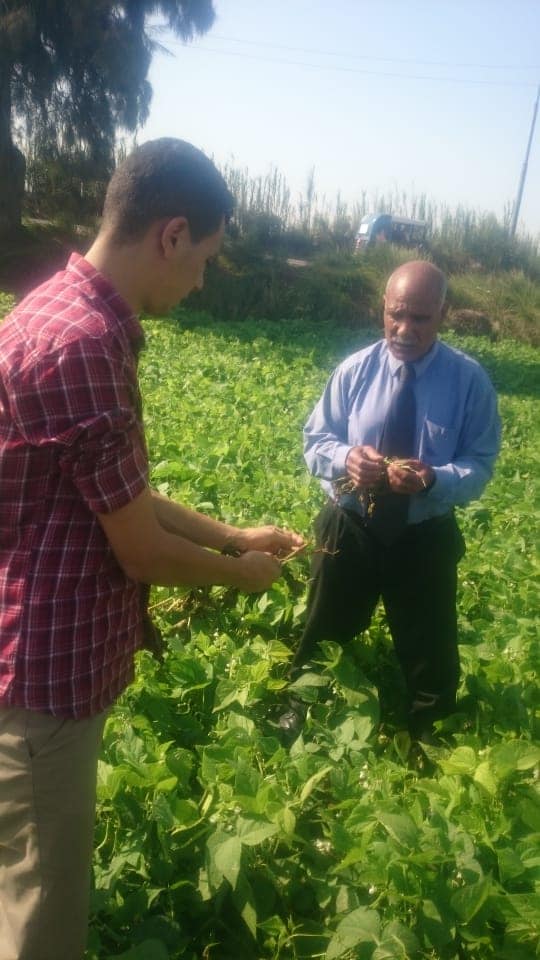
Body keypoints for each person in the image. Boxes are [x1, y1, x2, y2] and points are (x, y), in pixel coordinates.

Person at [0, 138, 303, 960]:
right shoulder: (87, 343)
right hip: (42, 683)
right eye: (204, 257)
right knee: (42, 916)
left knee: (21, 881)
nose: (202, 281)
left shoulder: (58, 309)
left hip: (33, 670)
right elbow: (140, 551)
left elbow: (120, 497)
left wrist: (233, 535)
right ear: (171, 235)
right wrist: (242, 576)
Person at [282, 260, 500, 741]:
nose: (404, 330)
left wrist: (434, 479)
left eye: (420, 318)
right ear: (383, 307)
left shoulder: (469, 382)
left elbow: (480, 464)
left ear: (443, 313)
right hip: (351, 525)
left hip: (424, 534)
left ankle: (430, 728)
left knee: (431, 644)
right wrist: (346, 459)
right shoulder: (354, 370)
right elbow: (316, 440)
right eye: (396, 315)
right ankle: (299, 704)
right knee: (323, 624)